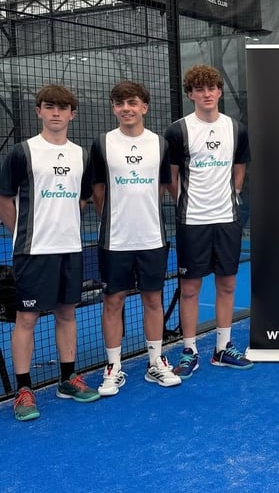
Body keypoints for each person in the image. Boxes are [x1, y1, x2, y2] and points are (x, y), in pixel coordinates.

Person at [0, 85, 100, 422]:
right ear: (39, 111)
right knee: (26, 319)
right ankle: (23, 390)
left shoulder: (81, 155)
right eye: (49, 107)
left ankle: (68, 379)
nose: (56, 113)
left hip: (70, 249)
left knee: (67, 313)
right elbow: (4, 199)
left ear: (72, 114)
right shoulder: (22, 152)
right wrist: (20, 236)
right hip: (33, 251)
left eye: (62, 107)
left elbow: (83, 198)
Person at [90, 81, 181, 396]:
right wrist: (116, 219)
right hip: (114, 240)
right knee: (113, 300)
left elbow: (159, 188)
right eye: (119, 103)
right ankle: (113, 367)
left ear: (144, 106)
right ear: (114, 108)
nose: (125, 108)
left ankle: (156, 361)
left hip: (152, 237)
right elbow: (99, 191)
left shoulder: (160, 144)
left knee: (152, 299)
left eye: (131, 102)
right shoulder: (102, 143)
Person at [164, 64, 253, 377]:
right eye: (199, 89)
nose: (207, 94)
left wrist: (234, 191)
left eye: (212, 88)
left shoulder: (236, 128)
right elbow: (171, 177)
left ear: (219, 92)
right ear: (190, 95)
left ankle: (222, 348)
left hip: (226, 219)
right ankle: (189, 350)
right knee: (190, 288)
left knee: (227, 284)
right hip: (193, 221)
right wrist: (185, 202)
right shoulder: (178, 131)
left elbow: (240, 164)